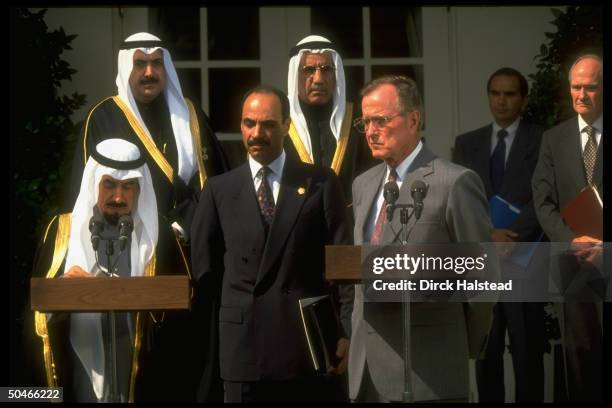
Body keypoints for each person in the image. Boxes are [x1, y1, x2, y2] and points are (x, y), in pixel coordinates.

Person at [190, 85, 352, 402]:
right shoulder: (219, 189)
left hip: (305, 348)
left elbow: (343, 266)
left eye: (267, 124)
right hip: (242, 350)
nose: (256, 133)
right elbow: (205, 271)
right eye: (249, 123)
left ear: (286, 126)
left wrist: (345, 330)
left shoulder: (320, 183)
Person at [348, 76, 496, 402]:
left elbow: (482, 276)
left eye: (381, 120)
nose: (371, 131)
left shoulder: (455, 182)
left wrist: (461, 342)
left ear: (414, 119)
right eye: (365, 122)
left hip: (429, 369)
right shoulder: (363, 185)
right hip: (366, 372)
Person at [29, 139, 190, 402]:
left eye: (128, 187)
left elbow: (183, 319)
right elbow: (34, 312)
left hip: (141, 378)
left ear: (140, 190)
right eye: (109, 185)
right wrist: (65, 292)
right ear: (94, 184)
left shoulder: (160, 237)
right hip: (80, 378)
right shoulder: (61, 232)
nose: (118, 197)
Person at [68, 32, 227, 242]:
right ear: (126, 68)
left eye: (157, 63)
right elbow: (88, 189)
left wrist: (184, 222)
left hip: (187, 237)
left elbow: (215, 179)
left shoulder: (190, 114)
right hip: (125, 239)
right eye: (140, 63)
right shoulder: (102, 117)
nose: (149, 72)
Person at [453, 67, 545, 402]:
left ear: (523, 98)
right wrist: (488, 235)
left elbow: (546, 197)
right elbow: (459, 199)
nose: (501, 101)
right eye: (495, 93)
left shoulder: (541, 139)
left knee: (527, 353)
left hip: (525, 260)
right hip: (483, 263)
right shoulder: (467, 144)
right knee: (486, 354)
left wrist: (512, 237)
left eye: (509, 94)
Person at [532, 54, 603, 402]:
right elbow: (542, 199)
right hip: (571, 259)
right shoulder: (553, 139)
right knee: (578, 355)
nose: (582, 94)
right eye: (576, 87)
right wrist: (570, 238)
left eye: (590, 87)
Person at [286, 34, 375, 205]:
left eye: (326, 69)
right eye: (309, 70)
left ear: (336, 75)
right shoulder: (281, 124)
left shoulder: (358, 121)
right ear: (294, 75)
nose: (318, 80)